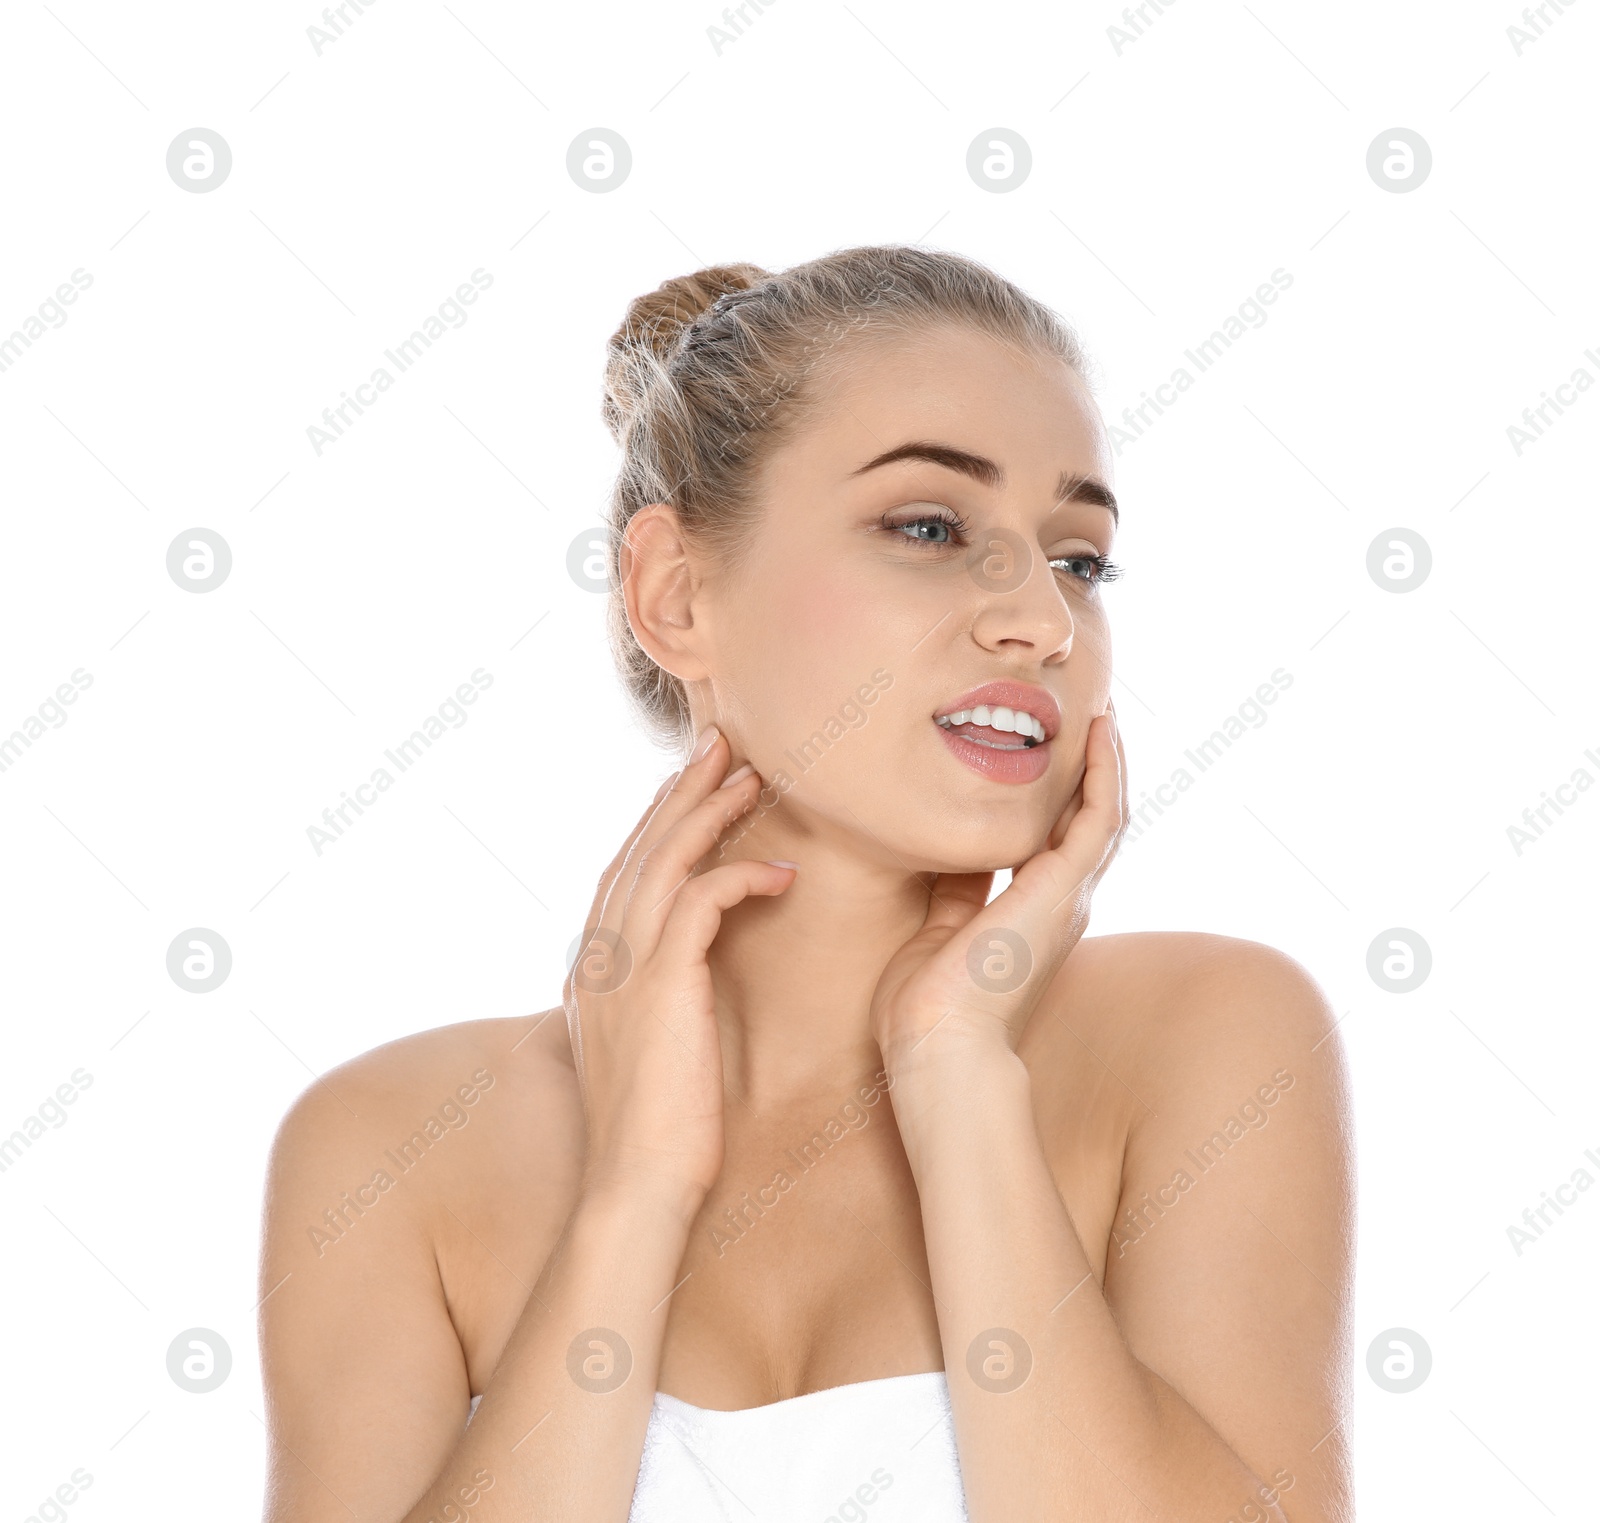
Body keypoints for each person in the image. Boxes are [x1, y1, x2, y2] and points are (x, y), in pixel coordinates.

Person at [258, 245, 1354, 1523]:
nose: (1042, 621)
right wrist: (633, 1193)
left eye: (1078, 558)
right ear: (676, 593)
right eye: (931, 527)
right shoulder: (387, 1153)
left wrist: (956, 1075)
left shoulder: (1205, 1036)